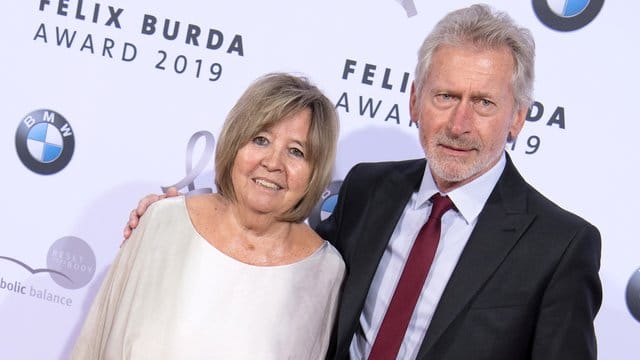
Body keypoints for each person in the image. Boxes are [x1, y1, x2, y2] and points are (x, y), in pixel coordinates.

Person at [123, 4, 602, 360]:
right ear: (415, 100)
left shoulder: (559, 246)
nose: (459, 123)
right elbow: (284, 255)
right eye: (445, 96)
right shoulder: (369, 189)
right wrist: (189, 219)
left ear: (517, 117)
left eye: (483, 103)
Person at [72, 73, 345, 359]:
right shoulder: (161, 222)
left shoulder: (325, 272)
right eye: (261, 140)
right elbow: (95, 343)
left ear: (315, 171)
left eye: (296, 151)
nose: (273, 163)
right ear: (234, 144)